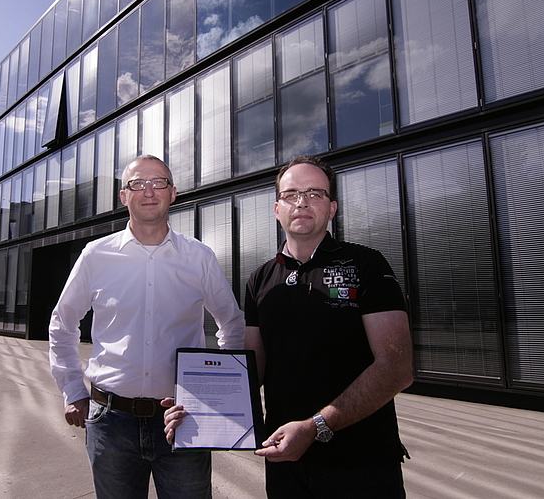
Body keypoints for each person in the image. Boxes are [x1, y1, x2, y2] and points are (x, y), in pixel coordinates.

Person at [48, 154, 245, 499]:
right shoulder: (96, 256)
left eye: (159, 183)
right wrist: (72, 389)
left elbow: (231, 323)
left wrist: (219, 393)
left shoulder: (199, 257)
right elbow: (63, 323)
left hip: (183, 421)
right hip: (110, 423)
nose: (149, 191)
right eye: (137, 183)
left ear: (173, 193)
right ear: (124, 196)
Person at [244, 155, 414, 498]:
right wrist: (199, 400)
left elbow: (397, 368)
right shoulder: (259, 279)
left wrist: (315, 426)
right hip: (284, 460)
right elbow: (251, 369)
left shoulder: (366, 264)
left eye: (315, 193)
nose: (302, 202)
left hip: (362, 463)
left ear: (332, 208)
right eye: (291, 194)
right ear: (277, 209)